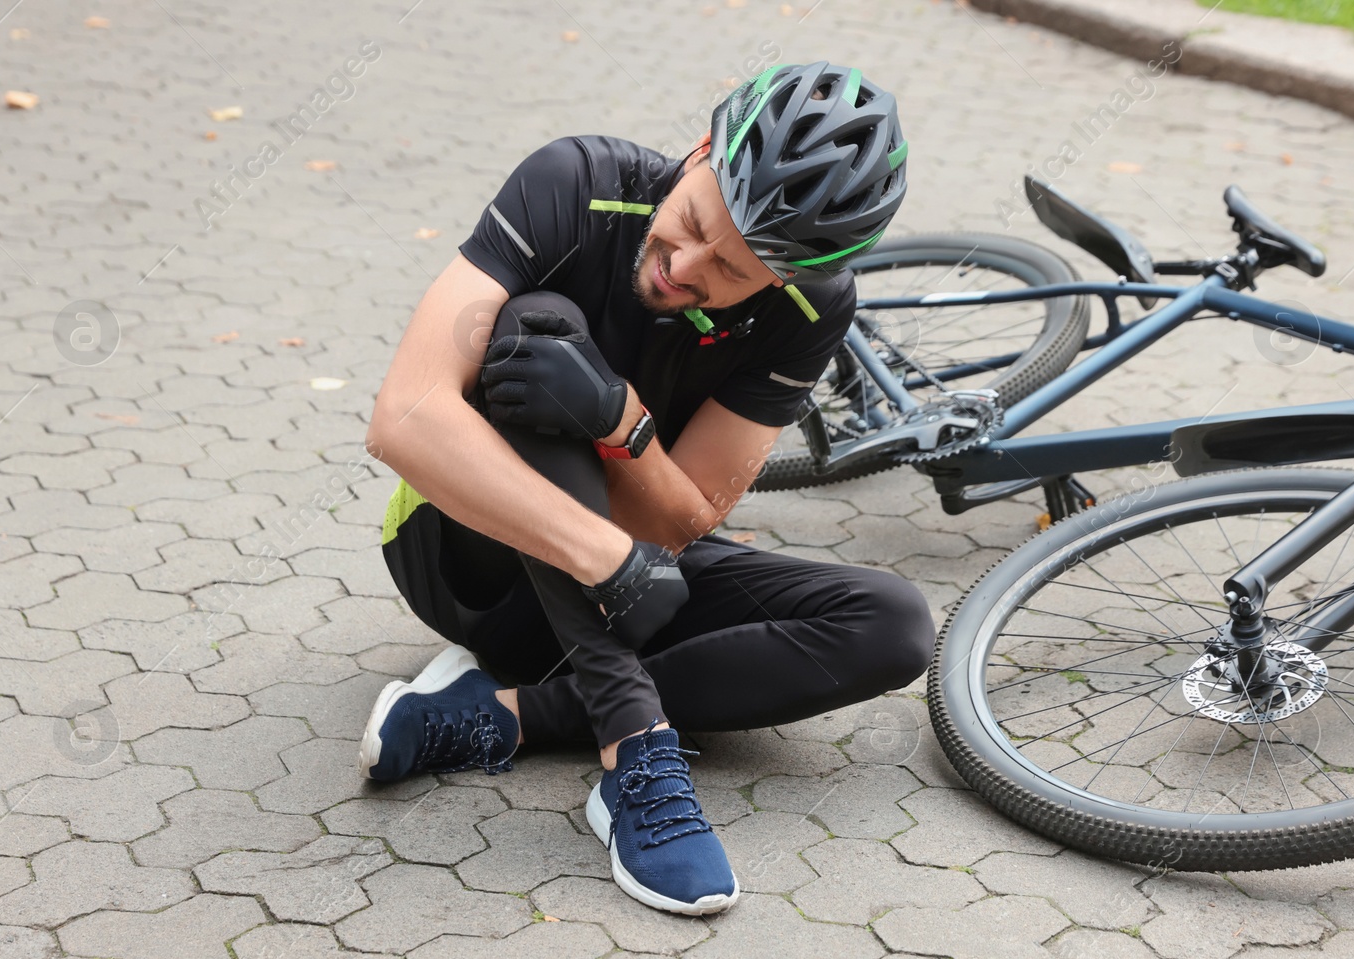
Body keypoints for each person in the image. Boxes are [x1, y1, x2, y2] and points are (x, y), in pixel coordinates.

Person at [361, 61, 932, 916]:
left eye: (733, 270)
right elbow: (403, 415)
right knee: (535, 333)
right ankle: (635, 747)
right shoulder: (574, 185)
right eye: (698, 220)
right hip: (465, 560)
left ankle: (509, 715)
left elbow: (688, 513)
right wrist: (609, 558)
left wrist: (618, 425)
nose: (685, 265)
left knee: (894, 625)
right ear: (700, 150)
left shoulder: (814, 309)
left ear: (786, 280)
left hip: (636, 569)